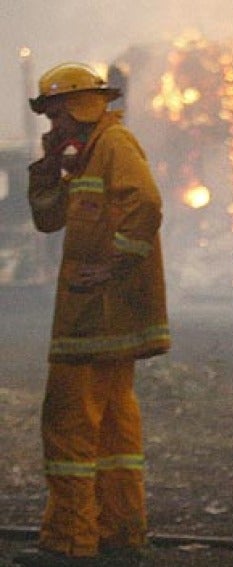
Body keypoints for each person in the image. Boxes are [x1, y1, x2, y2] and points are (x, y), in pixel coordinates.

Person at [16, 62, 170, 567]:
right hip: (102, 316)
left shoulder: (115, 145)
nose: (51, 125)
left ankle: (69, 543)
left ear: (79, 106)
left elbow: (145, 203)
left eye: (55, 113)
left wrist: (111, 266)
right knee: (112, 429)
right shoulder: (86, 154)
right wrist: (45, 170)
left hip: (96, 315)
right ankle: (119, 534)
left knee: (68, 423)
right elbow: (48, 220)